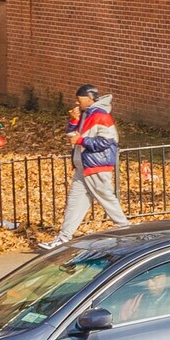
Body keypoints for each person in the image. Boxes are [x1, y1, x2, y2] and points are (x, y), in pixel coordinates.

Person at [46, 84, 127, 249]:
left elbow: (108, 141)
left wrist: (81, 141)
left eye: (80, 99)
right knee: (75, 203)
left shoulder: (102, 116)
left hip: (95, 166)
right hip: (82, 166)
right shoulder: (85, 114)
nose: (77, 103)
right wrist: (74, 120)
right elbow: (72, 135)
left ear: (90, 98)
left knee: (107, 199)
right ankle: (64, 237)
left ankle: (126, 229)